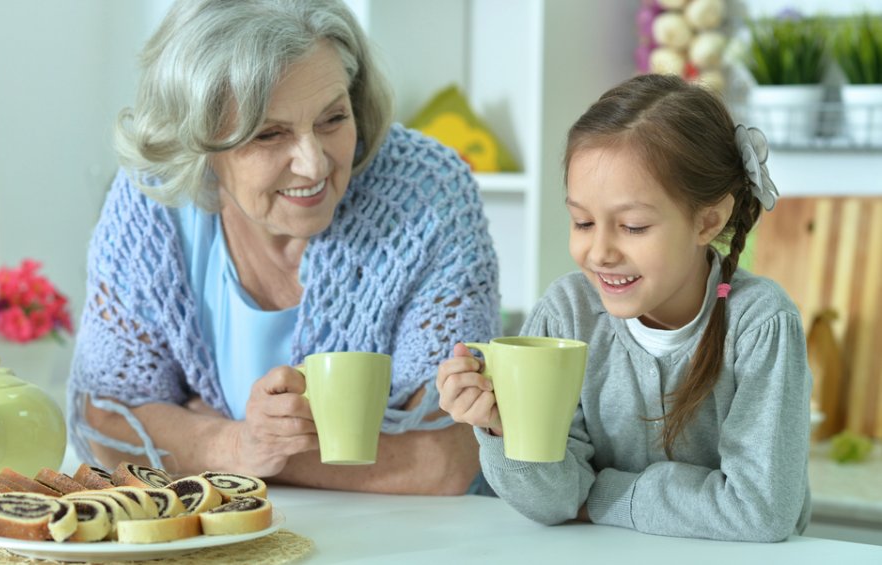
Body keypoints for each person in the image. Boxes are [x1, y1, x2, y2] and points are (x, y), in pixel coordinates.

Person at [68, 0, 500, 496]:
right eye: (270, 133)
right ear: (199, 145)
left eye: (333, 119)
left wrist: (208, 439)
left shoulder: (428, 194)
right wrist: (238, 446)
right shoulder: (153, 199)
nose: (314, 165)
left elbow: (446, 458)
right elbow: (105, 422)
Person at [436, 73, 812, 540]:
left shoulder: (760, 324)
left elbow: (760, 511)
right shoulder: (566, 314)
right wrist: (500, 430)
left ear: (707, 221)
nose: (599, 252)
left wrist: (603, 494)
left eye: (633, 226)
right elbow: (555, 504)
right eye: (583, 221)